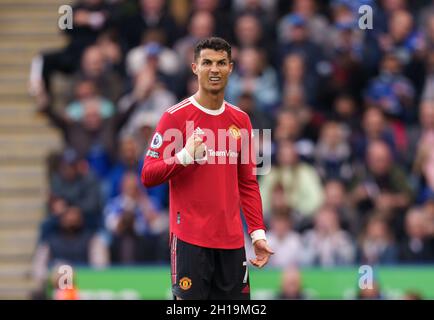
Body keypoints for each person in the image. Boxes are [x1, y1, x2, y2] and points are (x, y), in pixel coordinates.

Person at [141, 37, 273, 300]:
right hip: (190, 240)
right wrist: (183, 156)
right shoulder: (175, 117)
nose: (215, 69)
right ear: (194, 68)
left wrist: (257, 233)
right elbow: (147, 174)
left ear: (231, 68)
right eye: (207, 63)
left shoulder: (241, 120)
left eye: (221, 63)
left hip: (232, 243)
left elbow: (247, 183)